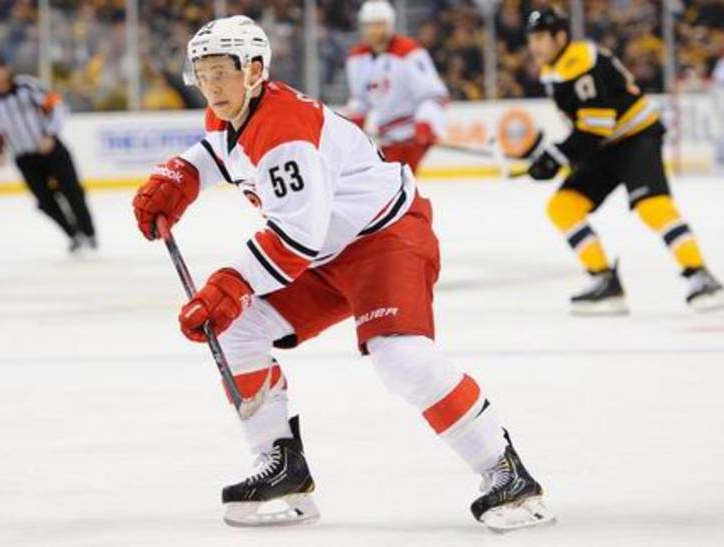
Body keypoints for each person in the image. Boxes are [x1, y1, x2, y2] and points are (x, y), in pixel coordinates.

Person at [132, 15, 553, 531]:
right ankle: (283, 468)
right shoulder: (231, 112)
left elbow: (296, 237)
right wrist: (182, 176)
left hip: (384, 239)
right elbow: (220, 152)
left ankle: (507, 473)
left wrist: (231, 283)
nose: (211, 85)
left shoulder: (285, 130)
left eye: (221, 71)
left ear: (255, 70)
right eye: (203, 73)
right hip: (324, 251)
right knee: (239, 327)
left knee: (400, 357)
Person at [524, 7, 723, 314]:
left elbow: (596, 126)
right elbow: (588, 127)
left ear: (560, 37)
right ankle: (604, 280)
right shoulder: (553, 68)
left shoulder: (581, 61)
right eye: (531, 39)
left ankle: (699, 274)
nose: (534, 46)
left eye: (540, 38)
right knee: (563, 206)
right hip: (604, 146)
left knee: (653, 206)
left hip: (634, 138)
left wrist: (558, 155)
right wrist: (553, 156)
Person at [0, 51, 97, 254]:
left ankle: (89, 233)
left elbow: (57, 105)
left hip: (51, 149)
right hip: (25, 158)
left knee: (72, 191)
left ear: (6, 68)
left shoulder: (27, 86)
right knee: (45, 201)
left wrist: (50, 134)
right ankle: (73, 235)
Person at [344, 0, 448, 173]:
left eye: (379, 24)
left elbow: (434, 95)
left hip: (412, 134)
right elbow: (360, 99)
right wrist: (354, 121)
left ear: (389, 25)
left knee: (397, 182)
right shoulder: (356, 58)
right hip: (386, 136)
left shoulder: (409, 52)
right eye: (369, 25)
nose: (374, 30)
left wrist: (426, 122)